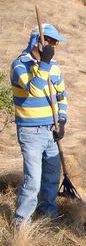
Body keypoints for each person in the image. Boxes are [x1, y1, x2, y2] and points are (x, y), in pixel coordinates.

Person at [10, 24, 68, 226]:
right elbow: (34, 89)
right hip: (30, 132)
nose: (53, 46)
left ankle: (47, 216)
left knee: (52, 177)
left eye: (55, 43)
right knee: (33, 181)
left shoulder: (53, 66)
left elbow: (61, 95)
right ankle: (21, 223)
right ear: (38, 42)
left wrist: (62, 120)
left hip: (50, 130)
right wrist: (43, 63)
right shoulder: (19, 65)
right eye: (49, 42)